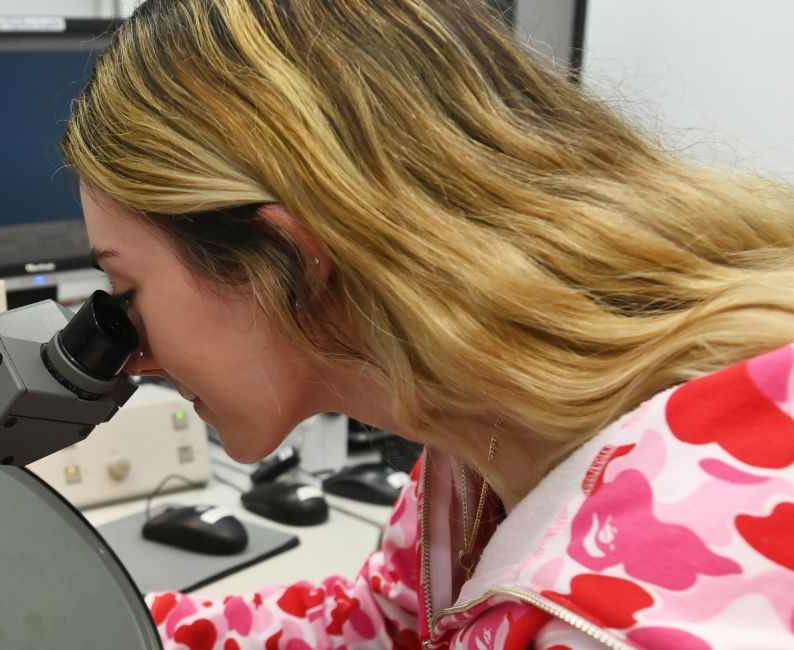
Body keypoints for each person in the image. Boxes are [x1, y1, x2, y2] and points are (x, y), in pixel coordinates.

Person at [58, 0, 794, 648]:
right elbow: (376, 627)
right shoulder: (486, 440)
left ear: (282, 256)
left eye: (127, 291)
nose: (133, 360)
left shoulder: (617, 615)